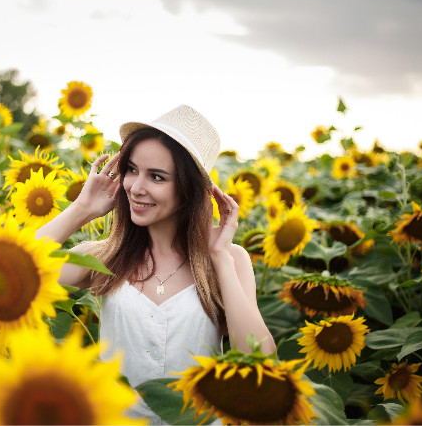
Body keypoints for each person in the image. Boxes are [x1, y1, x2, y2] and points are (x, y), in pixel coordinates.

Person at [36, 105, 276, 424]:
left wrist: (219, 257)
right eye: (132, 169)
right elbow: (19, 267)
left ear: (189, 190)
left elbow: (260, 360)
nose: (135, 187)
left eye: (157, 177)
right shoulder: (105, 256)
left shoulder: (230, 260)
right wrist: (81, 208)